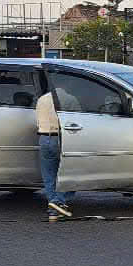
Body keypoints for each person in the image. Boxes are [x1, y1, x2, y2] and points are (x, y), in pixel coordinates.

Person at [36, 87, 76, 220]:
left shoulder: (42, 99)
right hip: (60, 137)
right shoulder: (69, 98)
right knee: (68, 171)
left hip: (43, 137)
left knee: (49, 173)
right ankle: (59, 201)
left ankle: (53, 206)